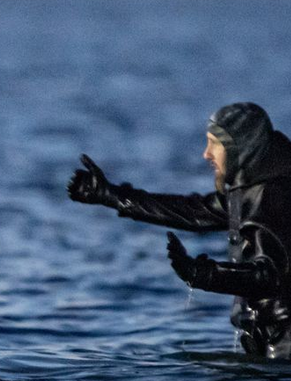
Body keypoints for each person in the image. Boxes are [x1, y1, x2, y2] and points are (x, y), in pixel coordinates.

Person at [68, 102, 291, 358]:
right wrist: (112, 195)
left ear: (241, 147)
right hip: (271, 347)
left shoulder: (273, 195)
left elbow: (269, 276)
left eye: (214, 144)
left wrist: (204, 273)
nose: (206, 154)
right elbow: (192, 212)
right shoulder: (252, 189)